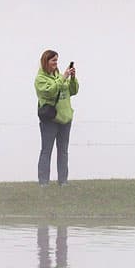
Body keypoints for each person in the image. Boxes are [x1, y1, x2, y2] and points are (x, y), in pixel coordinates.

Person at [34, 49, 79, 185]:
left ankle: (63, 181)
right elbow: (50, 92)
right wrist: (63, 77)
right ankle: (43, 182)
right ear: (45, 61)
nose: (55, 63)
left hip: (65, 119)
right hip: (50, 120)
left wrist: (72, 78)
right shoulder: (40, 79)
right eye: (53, 60)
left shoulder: (59, 75)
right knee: (46, 151)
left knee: (63, 151)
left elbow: (73, 91)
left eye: (56, 60)